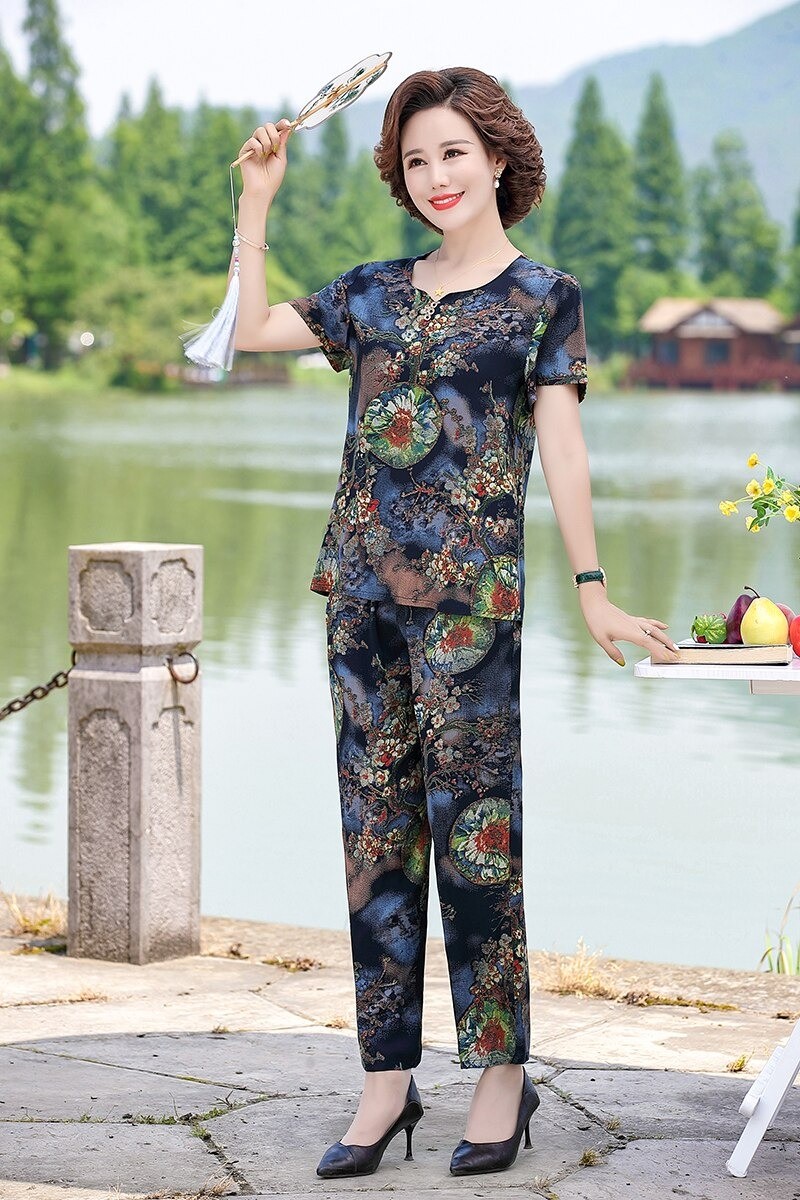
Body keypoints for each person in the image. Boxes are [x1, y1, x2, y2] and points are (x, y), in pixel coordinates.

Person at [228, 66, 681, 1179]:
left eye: (454, 153)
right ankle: (386, 1082)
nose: (436, 175)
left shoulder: (542, 299)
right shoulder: (370, 293)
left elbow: (562, 447)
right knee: (373, 844)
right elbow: (247, 330)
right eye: (417, 158)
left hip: (473, 609)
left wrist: (592, 587)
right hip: (360, 598)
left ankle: (499, 1078)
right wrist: (257, 201)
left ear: (497, 160)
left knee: (478, 843)